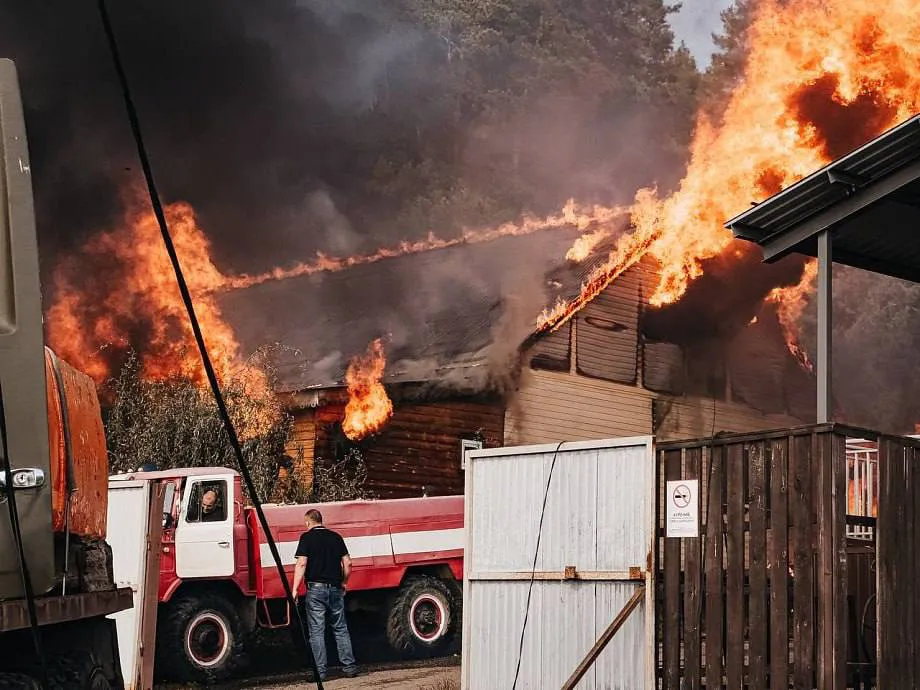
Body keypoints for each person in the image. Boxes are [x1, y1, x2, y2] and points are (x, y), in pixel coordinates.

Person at [291, 509, 358, 681]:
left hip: (316, 590)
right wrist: (344, 582)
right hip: (335, 588)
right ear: (321, 520)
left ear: (308, 522)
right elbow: (348, 563)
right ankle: (350, 668)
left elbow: (302, 564)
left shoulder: (306, 538)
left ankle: (320, 673)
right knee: (341, 628)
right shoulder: (336, 537)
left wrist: (295, 589)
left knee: (317, 631)